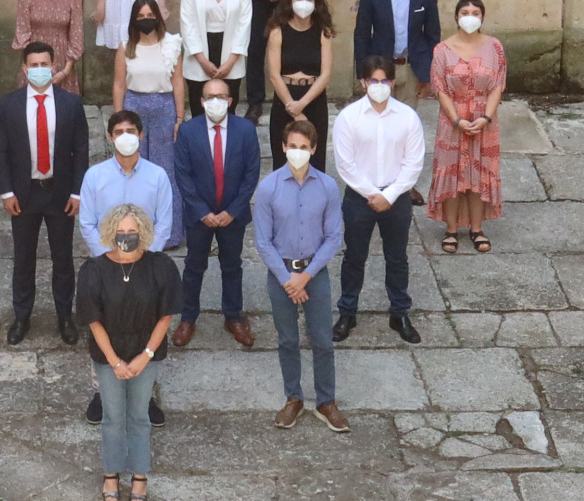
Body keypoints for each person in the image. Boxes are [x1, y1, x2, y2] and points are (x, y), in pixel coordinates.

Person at [77, 204, 180, 501]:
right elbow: (92, 319)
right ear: (111, 232)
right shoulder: (94, 269)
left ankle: (139, 475)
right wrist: (114, 361)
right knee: (111, 416)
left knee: (139, 415)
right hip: (109, 355)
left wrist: (145, 355)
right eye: (120, 232)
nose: (126, 237)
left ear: (143, 232)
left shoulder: (160, 266)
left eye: (132, 232)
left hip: (145, 354)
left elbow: (166, 315)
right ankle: (110, 475)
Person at [78, 109, 174, 426]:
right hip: (107, 267)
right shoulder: (95, 177)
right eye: (118, 131)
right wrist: (112, 257)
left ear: (142, 135)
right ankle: (101, 392)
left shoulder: (158, 176)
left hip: (146, 268)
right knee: (105, 326)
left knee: (146, 327)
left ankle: (145, 397)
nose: (125, 136)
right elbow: (88, 223)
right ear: (110, 137)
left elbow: (163, 225)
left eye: (131, 130)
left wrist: (142, 259)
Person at [253, 120, 348, 433]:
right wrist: (287, 280)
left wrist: (305, 277)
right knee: (288, 339)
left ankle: (325, 401)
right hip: (280, 273)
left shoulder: (327, 187)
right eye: (292, 146)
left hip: (314, 272)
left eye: (304, 147)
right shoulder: (268, 187)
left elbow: (334, 236)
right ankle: (293, 398)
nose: (297, 152)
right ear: (283, 147)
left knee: (322, 339)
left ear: (314, 149)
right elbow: (263, 241)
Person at [0, 42, 90, 346]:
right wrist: (7, 191)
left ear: (54, 65)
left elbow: (81, 150)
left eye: (44, 64)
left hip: (59, 192)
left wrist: (77, 192)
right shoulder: (9, 104)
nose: (39, 70)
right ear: (24, 69)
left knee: (63, 257)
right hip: (24, 194)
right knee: (24, 257)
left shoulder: (70, 104)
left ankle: (65, 315)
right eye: (33, 65)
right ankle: (22, 316)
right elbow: (2, 151)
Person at [332, 55, 426, 345]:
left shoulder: (408, 117)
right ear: (363, 83)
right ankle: (348, 311)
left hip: (395, 198)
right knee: (354, 257)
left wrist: (389, 195)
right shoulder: (348, 117)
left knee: (397, 258)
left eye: (384, 80)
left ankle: (399, 313)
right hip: (360, 198)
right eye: (373, 80)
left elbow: (414, 163)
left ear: (393, 82)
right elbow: (345, 163)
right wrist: (371, 193)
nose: (379, 85)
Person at [170, 79, 261, 349]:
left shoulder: (245, 130)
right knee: (194, 266)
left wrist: (232, 211)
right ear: (201, 101)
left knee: (232, 266)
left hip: (233, 215)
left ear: (231, 100)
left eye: (221, 96)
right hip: (200, 217)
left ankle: (233, 317)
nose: (215, 101)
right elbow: (183, 175)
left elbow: (251, 173)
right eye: (210, 96)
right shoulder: (187, 131)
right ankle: (188, 318)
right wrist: (202, 212)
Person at [353, 0, 440, 204]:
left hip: (411, 68)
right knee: (376, 125)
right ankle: (373, 179)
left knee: (406, 129)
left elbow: (432, 35)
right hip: (380, 70)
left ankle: (405, 185)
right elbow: (361, 34)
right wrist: (362, 73)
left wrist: (429, 76)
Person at [429, 0, 507, 254]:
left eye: (475, 12)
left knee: (479, 173)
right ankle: (451, 229)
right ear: (456, 16)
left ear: (482, 17)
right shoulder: (442, 50)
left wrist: (485, 117)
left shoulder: (495, 47)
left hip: (484, 120)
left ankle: (476, 228)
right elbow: (439, 88)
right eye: (465, 11)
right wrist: (456, 119)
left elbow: (498, 85)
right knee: (452, 173)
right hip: (452, 120)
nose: (470, 16)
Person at [114, 0, 186, 246]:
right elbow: (119, 83)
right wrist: (118, 120)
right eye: (141, 17)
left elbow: (178, 81)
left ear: (158, 15)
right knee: (134, 171)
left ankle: (170, 235)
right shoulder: (126, 46)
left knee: (166, 173)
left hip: (164, 108)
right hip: (134, 108)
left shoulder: (172, 44)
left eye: (150, 15)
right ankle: (136, 233)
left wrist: (179, 117)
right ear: (134, 20)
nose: (146, 20)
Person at [179, 0, 252, 115]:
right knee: (199, 107)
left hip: (230, 52)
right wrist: (202, 60)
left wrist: (231, 62)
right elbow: (187, 21)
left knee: (227, 108)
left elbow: (245, 22)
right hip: (200, 52)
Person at [264, 0, 333, 170]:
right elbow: (274, 75)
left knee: (315, 159)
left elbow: (325, 74)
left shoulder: (323, 32)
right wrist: (292, 108)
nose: (304, 3)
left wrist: (302, 105)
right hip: (285, 98)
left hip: (314, 98)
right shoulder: (278, 31)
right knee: (283, 159)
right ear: (290, 2)